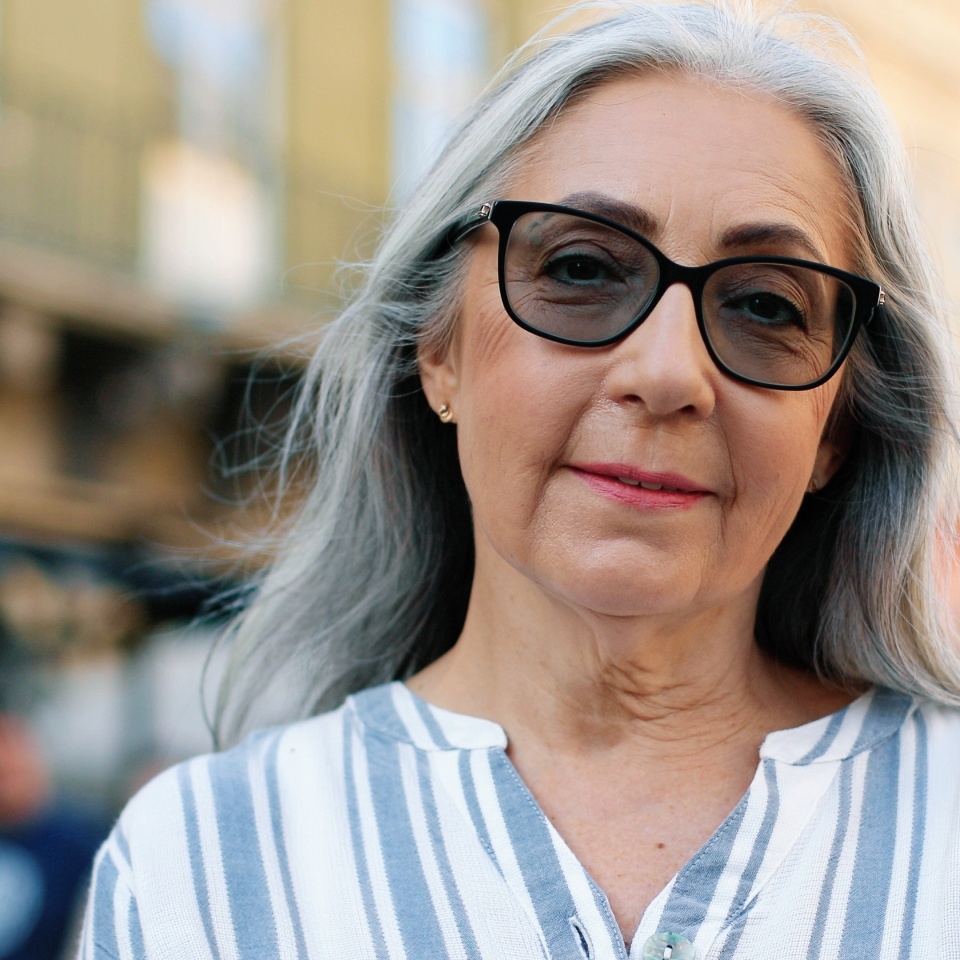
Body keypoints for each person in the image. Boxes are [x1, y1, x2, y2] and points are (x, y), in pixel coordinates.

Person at [79, 2, 960, 957]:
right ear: (439, 348)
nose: (666, 373)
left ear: (835, 422)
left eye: (763, 304)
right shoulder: (200, 864)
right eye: (582, 268)